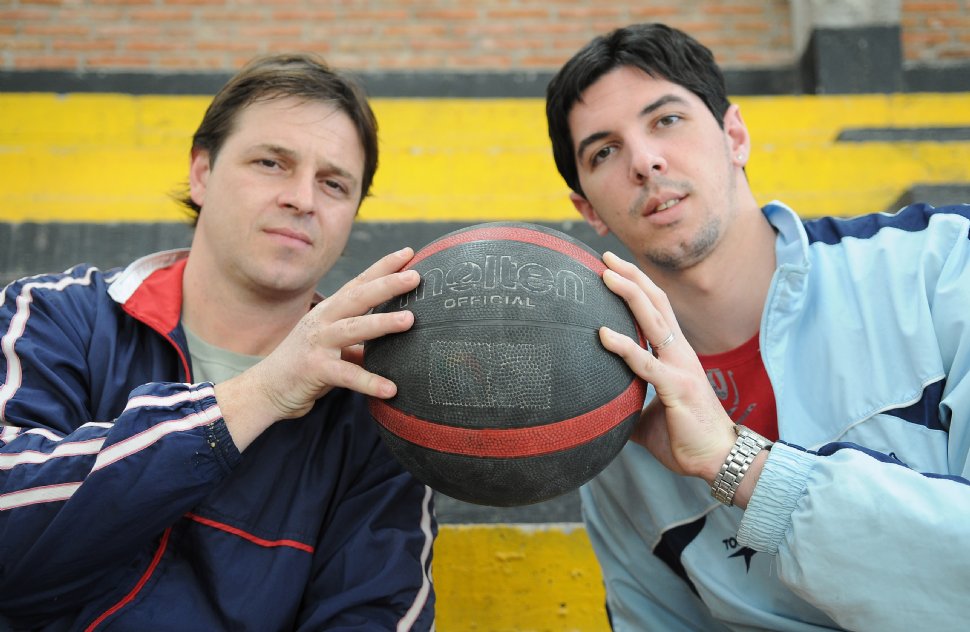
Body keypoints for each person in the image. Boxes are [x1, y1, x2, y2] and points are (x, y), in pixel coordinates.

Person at [545, 22, 970, 631]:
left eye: (666, 119)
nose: (644, 161)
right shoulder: (619, 430)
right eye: (603, 152)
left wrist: (735, 463)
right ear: (589, 211)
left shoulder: (941, 265)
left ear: (735, 136)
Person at [0, 54, 435, 631]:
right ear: (201, 173)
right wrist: (261, 394)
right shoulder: (55, 315)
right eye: (271, 163)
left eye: (333, 184)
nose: (302, 199)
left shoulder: (374, 405)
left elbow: (373, 614)